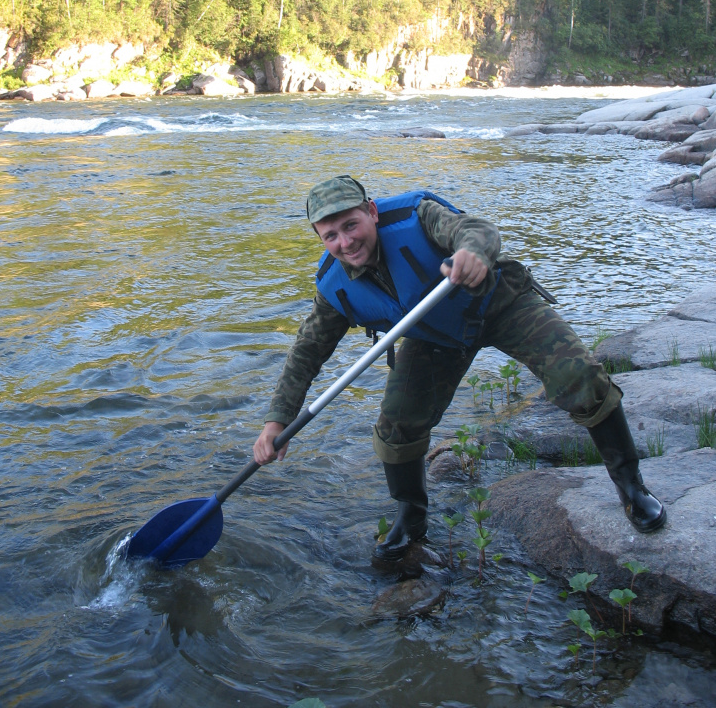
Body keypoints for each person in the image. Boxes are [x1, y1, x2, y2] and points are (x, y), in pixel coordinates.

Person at [253, 176, 666, 560]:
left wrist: (472, 253)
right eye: (331, 235)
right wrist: (277, 420)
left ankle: (631, 486)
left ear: (372, 212)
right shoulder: (333, 287)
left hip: (499, 305)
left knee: (578, 376)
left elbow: (477, 230)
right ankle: (411, 518)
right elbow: (305, 354)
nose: (346, 241)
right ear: (319, 238)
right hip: (436, 336)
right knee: (397, 425)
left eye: (351, 225)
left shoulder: (418, 215)